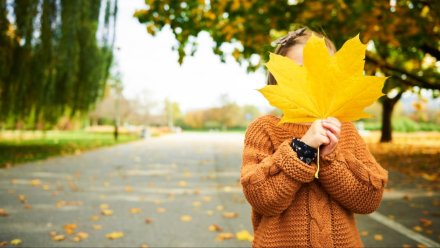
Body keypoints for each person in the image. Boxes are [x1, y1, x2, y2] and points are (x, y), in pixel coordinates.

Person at [240, 26, 389, 248]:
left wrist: (332, 159)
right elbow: (262, 199)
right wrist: (302, 150)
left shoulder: (344, 130)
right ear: (278, 80)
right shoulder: (265, 129)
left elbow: (369, 198)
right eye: (300, 71)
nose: (311, 79)